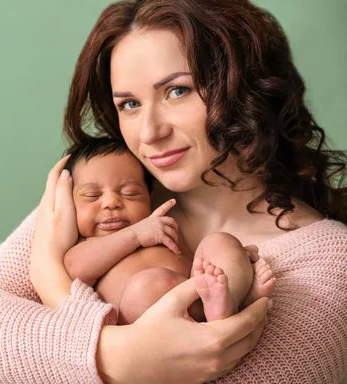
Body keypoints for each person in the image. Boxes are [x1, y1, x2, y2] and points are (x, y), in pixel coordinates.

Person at [0, 0, 347, 383]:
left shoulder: (329, 262)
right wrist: (121, 354)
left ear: (247, 89)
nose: (148, 132)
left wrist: (51, 281)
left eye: (177, 90)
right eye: (129, 104)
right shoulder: (118, 200)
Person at [61, 137, 275, 324]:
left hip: (200, 295)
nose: (111, 203)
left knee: (220, 241)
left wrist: (233, 259)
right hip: (153, 324)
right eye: (91, 196)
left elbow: (194, 263)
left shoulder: (160, 226)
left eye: (130, 193)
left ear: (150, 196)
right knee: (147, 285)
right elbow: (76, 269)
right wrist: (135, 235)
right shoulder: (84, 245)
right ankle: (229, 310)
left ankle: (232, 301)